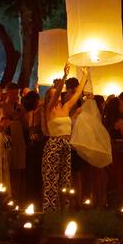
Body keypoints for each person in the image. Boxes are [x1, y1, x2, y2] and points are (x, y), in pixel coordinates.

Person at [41, 65, 87, 211]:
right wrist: (64, 76)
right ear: (50, 98)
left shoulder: (65, 108)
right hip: (54, 145)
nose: (59, 95)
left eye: (59, 93)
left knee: (65, 179)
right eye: (55, 94)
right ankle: (50, 210)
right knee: (51, 179)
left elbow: (78, 93)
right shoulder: (49, 110)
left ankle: (64, 209)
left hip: (66, 145)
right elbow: (56, 94)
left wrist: (85, 75)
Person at [3, 83, 27, 200]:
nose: (14, 96)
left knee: (18, 170)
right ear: (7, 93)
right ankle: (6, 196)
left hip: (18, 141)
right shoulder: (2, 106)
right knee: (6, 170)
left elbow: (25, 126)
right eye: (12, 94)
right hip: (6, 142)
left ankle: (16, 197)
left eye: (16, 94)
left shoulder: (21, 108)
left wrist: (21, 115)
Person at [22, 90, 44, 206]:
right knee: (32, 172)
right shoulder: (27, 112)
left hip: (38, 144)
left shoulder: (40, 110)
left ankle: (35, 198)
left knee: (35, 172)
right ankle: (32, 197)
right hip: (32, 145)